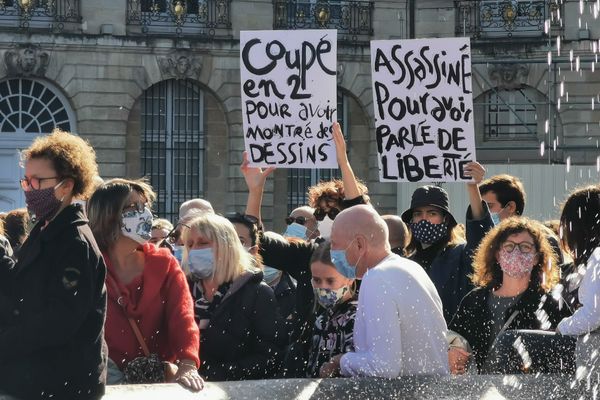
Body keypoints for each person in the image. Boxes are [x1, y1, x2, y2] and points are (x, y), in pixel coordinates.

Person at [0, 129, 107, 399]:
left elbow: (58, 321)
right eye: (26, 181)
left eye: (37, 181)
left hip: (62, 384)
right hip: (37, 378)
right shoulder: (47, 228)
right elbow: (22, 285)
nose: (28, 189)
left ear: (67, 185)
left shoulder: (75, 241)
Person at [87, 178, 202, 392]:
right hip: (103, 383)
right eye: (134, 207)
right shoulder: (89, 267)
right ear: (108, 215)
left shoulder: (164, 263)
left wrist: (187, 364)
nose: (145, 214)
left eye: (146, 206)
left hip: (156, 384)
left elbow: (183, 317)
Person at [322, 205, 448, 378]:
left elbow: (383, 367)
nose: (333, 254)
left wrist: (341, 361)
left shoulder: (377, 277)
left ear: (359, 244)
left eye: (335, 245)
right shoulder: (411, 268)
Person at [448, 217, 570, 374]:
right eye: (509, 246)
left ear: (536, 258)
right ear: (497, 255)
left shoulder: (550, 304)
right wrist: (452, 350)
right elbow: (452, 337)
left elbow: (568, 351)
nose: (516, 252)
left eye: (525, 247)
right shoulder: (474, 300)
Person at [182, 213, 286, 380]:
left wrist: (217, 375)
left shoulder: (257, 293)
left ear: (226, 246)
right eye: (190, 244)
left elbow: (270, 355)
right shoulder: (183, 291)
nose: (194, 250)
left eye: (203, 243)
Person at [401, 171, 494, 323]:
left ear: (446, 219)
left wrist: (472, 187)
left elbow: (481, 236)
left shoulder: (461, 255)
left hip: (454, 342)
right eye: (418, 214)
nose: (424, 219)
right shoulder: (406, 263)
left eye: (432, 213)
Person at [557, 185, 600, 383]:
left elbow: (592, 315)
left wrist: (562, 327)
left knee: (513, 340)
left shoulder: (598, 256)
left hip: (594, 354)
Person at [226, 211, 297, 323]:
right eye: (226, 240)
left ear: (254, 250)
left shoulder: (262, 293)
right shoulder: (201, 287)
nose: (232, 247)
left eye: (240, 241)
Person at [306, 240, 357, 378]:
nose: (323, 287)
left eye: (330, 281)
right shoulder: (321, 318)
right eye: (317, 280)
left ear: (350, 278)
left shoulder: (356, 317)